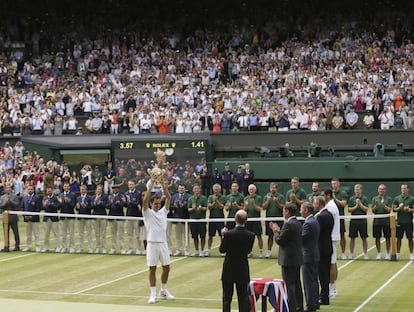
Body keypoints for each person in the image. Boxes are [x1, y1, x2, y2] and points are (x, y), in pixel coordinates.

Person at [143, 175, 174, 304]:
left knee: (166, 267)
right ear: (151, 204)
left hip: (163, 244)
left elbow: (169, 198)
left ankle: (164, 290)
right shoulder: (147, 213)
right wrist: (151, 185)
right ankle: (152, 294)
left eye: (158, 203)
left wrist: (162, 184)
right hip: (151, 244)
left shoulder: (163, 212)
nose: (157, 205)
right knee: (152, 269)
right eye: (155, 204)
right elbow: (145, 200)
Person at [269, 203, 304, 312]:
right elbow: (288, 237)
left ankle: (292, 308)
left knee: (290, 285)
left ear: (287, 211)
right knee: (297, 284)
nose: (283, 213)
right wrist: (280, 232)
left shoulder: (288, 224)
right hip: (296, 258)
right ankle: (299, 306)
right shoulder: (298, 223)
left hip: (288, 260)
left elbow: (280, 240)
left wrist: (275, 232)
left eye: (284, 211)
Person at [220, 209, 255, 312]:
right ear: (246, 221)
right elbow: (248, 251)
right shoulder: (250, 235)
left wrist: (223, 236)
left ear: (235, 220)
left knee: (227, 298)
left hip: (229, 269)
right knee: (243, 298)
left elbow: (222, 249)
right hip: (242, 269)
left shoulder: (228, 234)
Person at [313, 195, 333, 306]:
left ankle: (324, 296)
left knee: (323, 274)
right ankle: (325, 295)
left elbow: (317, 232)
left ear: (319, 204)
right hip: (327, 247)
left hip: (322, 248)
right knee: (324, 274)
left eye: (315, 203)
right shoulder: (328, 214)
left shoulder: (322, 216)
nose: (314, 205)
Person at [321, 188, 340, 299]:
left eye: (323, 195)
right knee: (333, 262)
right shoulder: (330, 206)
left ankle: (332, 290)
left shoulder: (330, 207)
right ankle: (333, 288)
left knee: (331, 264)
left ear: (328, 195)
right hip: (332, 237)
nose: (322, 196)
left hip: (331, 237)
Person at [301, 202, 320, 312]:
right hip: (313, 254)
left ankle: (311, 305)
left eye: (301, 209)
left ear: (306, 210)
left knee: (308, 282)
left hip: (308, 256)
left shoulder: (308, 223)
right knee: (313, 280)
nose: (300, 211)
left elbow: (302, 239)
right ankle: (315, 302)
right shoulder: (314, 221)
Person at [262, 182, 285, 258]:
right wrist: (268, 200)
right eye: (271, 187)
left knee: (280, 235)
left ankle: (281, 251)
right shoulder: (267, 197)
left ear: (277, 189)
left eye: (274, 187)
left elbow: (283, 207)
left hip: (279, 219)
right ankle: (269, 252)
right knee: (270, 236)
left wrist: (277, 202)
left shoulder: (281, 197)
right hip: (269, 219)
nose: (272, 189)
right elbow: (264, 207)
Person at [392, 183, 414, 260]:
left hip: (409, 222)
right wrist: (399, 208)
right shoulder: (397, 198)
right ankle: (398, 254)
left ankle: (411, 254)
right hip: (400, 222)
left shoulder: (412, 199)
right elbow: (394, 209)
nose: (403, 190)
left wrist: (409, 210)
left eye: (404, 188)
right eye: (402, 188)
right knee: (398, 238)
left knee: (410, 238)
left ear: (408, 189)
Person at [348, 184, 369, 260]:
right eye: (355, 189)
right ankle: (351, 253)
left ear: (361, 190)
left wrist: (359, 203)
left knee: (364, 238)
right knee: (352, 238)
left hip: (363, 221)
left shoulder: (365, 198)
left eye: (358, 189)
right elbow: (349, 209)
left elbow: (366, 209)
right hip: (353, 221)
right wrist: (356, 206)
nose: (356, 191)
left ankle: (365, 253)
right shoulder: (351, 199)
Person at [371, 184, 392, 260]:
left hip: (386, 221)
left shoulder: (388, 199)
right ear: (378, 190)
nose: (381, 191)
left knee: (387, 238)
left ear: (385, 190)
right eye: (380, 189)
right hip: (377, 221)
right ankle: (379, 253)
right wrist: (376, 206)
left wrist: (383, 204)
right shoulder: (374, 198)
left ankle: (387, 253)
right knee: (377, 238)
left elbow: (389, 210)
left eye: (382, 189)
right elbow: (373, 211)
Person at [170, 183, 191, 256]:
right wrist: (174, 206)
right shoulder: (174, 196)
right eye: (180, 188)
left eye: (182, 188)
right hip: (176, 219)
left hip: (185, 219)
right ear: (178, 189)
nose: (181, 189)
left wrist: (183, 205)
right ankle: (179, 249)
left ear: (185, 189)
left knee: (186, 236)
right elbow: (171, 206)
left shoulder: (188, 197)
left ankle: (187, 250)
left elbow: (189, 206)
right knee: (178, 236)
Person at [187, 183, 208, 256]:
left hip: (201, 220)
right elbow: (188, 209)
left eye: (197, 189)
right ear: (193, 190)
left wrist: (201, 208)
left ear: (200, 189)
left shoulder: (204, 198)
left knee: (202, 236)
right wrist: (192, 208)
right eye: (195, 189)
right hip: (193, 220)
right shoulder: (190, 199)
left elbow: (206, 208)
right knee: (195, 236)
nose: (196, 190)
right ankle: (196, 250)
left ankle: (202, 250)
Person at [244, 184, 264, 257]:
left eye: (252, 189)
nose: (251, 191)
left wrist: (253, 204)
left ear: (255, 190)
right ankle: (249, 251)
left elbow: (259, 209)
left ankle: (261, 251)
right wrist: (246, 205)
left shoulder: (258, 198)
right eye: (250, 189)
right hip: (248, 220)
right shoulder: (246, 198)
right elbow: (244, 210)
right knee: (248, 236)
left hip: (256, 220)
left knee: (259, 235)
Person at [331, 178, 348, 260]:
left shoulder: (343, 193)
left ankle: (343, 253)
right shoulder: (329, 193)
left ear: (338, 184)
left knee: (342, 235)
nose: (334, 185)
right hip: (330, 218)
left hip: (340, 217)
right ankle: (332, 253)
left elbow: (344, 204)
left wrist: (335, 199)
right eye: (333, 184)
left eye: (335, 183)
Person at [125, 180, 144, 255]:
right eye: (130, 184)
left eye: (132, 184)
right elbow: (126, 204)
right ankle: (131, 248)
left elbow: (138, 203)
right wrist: (130, 202)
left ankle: (139, 249)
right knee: (129, 233)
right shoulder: (126, 193)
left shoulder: (138, 193)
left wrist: (131, 202)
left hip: (136, 215)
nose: (131, 186)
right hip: (129, 215)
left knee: (137, 234)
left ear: (135, 185)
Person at [206, 183, 226, 256]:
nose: (216, 191)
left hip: (220, 219)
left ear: (220, 190)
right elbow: (209, 207)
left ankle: (223, 251)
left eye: (217, 190)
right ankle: (208, 250)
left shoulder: (223, 197)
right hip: (212, 219)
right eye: (215, 190)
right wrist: (214, 202)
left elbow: (221, 207)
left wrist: (217, 201)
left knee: (222, 235)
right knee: (210, 235)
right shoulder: (210, 197)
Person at [0, 185, 20, 252]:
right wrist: (5, 202)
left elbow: (17, 205)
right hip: (5, 217)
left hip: (13, 217)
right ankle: (6, 246)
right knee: (6, 232)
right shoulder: (2, 197)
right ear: (5, 189)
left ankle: (17, 246)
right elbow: (1, 206)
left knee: (15, 232)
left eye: (9, 188)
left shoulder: (15, 196)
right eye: (6, 188)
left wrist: (10, 201)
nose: (8, 189)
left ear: (11, 189)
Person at [22, 184, 41, 252]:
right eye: (29, 189)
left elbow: (38, 209)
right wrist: (25, 216)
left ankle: (37, 246)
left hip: (35, 219)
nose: (30, 190)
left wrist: (32, 216)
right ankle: (28, 246)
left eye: (31, 189)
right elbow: (23, 208)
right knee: (28, 234)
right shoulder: (25, 198)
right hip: (26, 219)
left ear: (33, 190)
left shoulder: (37, 198)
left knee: (36, 233)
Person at [58, 182, 76, 253]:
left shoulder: (72, 195)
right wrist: (60, 202)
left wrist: (68, 201)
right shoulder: (61, 195)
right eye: (65, 186)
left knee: (71, 232)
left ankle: (72, 247)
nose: (66, 187)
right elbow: (59, 207)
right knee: (63, 233)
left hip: (70, 215)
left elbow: (73, 205)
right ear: (63, 187)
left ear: (69, 187)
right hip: (63, 216)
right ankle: (64, 247)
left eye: (67, 186)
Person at [41, 186, 61, 252]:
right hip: (46, 218)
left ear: (52, 191)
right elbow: (42, 208)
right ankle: (46, 247)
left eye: (50, 191)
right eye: (48, 191)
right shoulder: (44, 198)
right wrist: (44, 205)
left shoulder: (55, 198)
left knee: (56, 233)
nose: (49, 192)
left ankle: (57, 247)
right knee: (46, 234)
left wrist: (49, 204)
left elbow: (57, 207)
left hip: (54, 218)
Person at [108, 185, 126, 254]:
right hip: (112, 217)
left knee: (121, 234)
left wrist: (120, 202)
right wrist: (111, 202)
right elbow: (107, 206)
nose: (115, 190)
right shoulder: (110, 196)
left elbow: (123, 205)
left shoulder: (121, 196)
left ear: (118, 189)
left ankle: (122, 249)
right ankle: (113, 248)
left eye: (116, 188)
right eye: (113, 188)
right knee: (113, 234)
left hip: (119, 217)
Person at [76, 184, 93, 253]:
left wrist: (85, 205)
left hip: (88, 217)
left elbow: (91, 207)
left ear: (86, 190)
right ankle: (81, 247)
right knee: (81, 233)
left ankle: (90, 248)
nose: (82, 191)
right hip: (80, 217)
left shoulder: (89, 198)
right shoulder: (78, 198)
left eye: (83, 189)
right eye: (81, 190)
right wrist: (77, 207)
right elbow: (77, 209)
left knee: (89, 233)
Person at [91, 184, 108, 253]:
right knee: (97, 233)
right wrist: (95, 201)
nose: (99, 191)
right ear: (96, 190)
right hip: (95, 216)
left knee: (103, 233)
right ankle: (98, 247)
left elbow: (106, 206)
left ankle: (104, 248)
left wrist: (100, 202)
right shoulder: (92, 197)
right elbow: (91, 206)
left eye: (100, 189)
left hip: (103, 216)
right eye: (98, 189)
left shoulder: (104, 197)